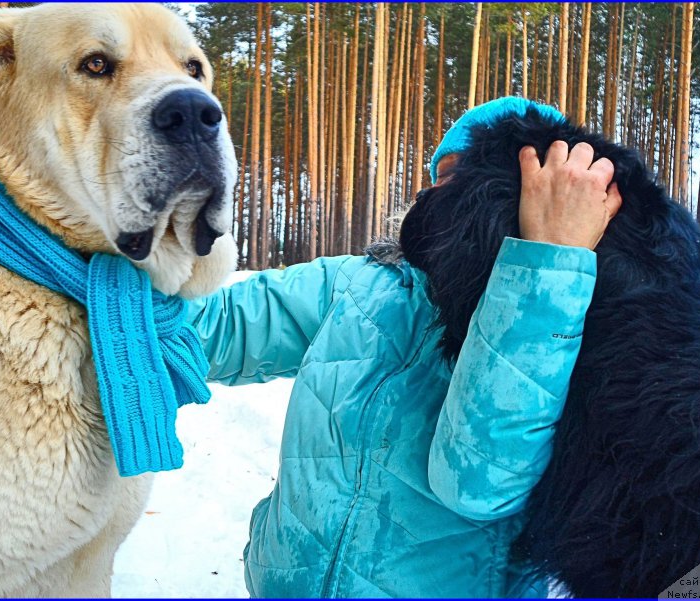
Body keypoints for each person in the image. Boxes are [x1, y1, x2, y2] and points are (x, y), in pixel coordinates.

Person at [185, 97, 622, 598]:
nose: (445, 195)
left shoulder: (568, 319)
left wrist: (546, 265)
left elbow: (479, 480)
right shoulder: (358, 282)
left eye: (475, 175)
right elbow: (214, 329)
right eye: (443, 175)